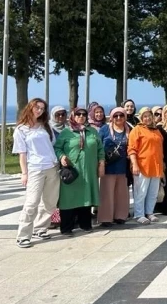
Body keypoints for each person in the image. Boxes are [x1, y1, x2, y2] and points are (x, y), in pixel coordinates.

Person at [13, 99, 59, 248]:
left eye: (42, 108)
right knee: (32, 202)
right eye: (37, 107)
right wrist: (24, 173)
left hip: (52, 166)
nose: (39, 110)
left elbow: (52, 145)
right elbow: (22, 154)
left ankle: (40, 228)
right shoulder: (21, 129)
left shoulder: (46, 126)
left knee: (50, 202)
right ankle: (23, 235)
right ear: (30, 107)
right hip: (35, 169)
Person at [54, 107, 105, 235]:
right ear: (72, 116)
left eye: (84, 114)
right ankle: (67, 227)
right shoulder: (66, 132)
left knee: (86, 195)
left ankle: (85, 224)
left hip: (88, 170)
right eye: (78, 114)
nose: (81, 116)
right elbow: (57, 148)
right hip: (72, 171)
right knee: (68, 198)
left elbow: (100, 150)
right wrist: (61, 157)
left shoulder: (92, 131)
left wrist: (101, 164)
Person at [128, 107, 165, 224]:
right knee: (141, 191)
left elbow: (160, 148)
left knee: (153, 192)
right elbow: (131, 149)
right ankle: (139, 214)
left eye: (149, 115)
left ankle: (149, 212)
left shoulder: (156, 130)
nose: (147, 118)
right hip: (142, 166)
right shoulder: (137, 130)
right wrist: (134, 164)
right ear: (141, 117)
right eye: (145, 116)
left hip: (156, 165)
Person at [98, 107, 130, 227]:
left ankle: (120, 216)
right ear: (111, 117)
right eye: (115, 116)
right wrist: (100, 162)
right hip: (108, 167)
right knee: (107, 193)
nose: (118, 118)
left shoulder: (128, 129)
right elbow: (98, 145)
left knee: (121, 193)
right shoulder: (105, 129)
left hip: (123, 167)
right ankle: (106, 218)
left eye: (121, 115)